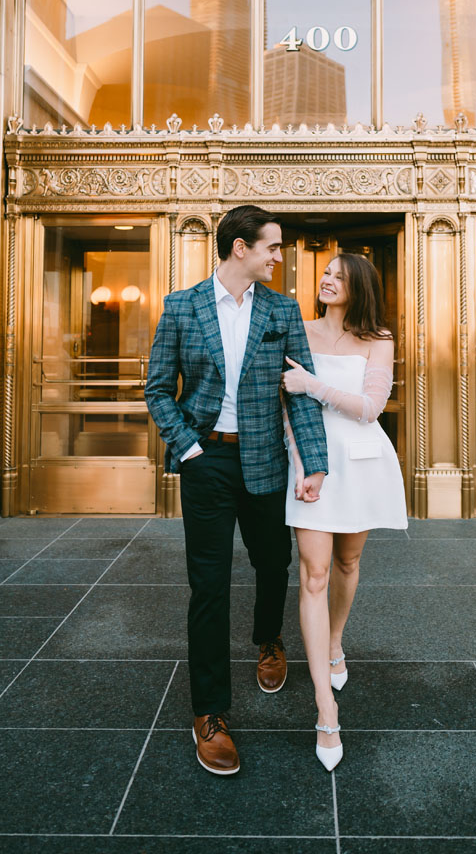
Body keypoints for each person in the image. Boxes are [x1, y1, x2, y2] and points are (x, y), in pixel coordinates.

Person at [145, 205, 328, 776]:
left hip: (266, 459)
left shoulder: (282, 308)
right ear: (240, 248)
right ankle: (209, 713)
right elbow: (156, 389)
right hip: (207, 462)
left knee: (274, 563)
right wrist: (189, 449)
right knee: (208, 585)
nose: (280, 256)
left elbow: (299, 391)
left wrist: (314, 463)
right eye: (272, 246)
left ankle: (268, 638)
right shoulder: (182, 306)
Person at [282, 252, 408, 771]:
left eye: (338, 275)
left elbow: (370, 407)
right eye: (325, 273)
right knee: (313, 575)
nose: (327, 280)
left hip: (361, 462)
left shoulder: (379, 339)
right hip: (310, 466)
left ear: (359, 286)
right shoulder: (299, 329)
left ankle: (335, 640)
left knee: (347, 563)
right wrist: (299, 463)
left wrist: (313, 384)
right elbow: (286, 404)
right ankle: (325, 708)